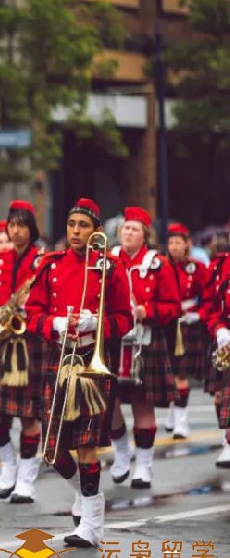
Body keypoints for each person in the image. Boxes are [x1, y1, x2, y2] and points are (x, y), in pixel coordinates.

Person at [24, 197, 133, 548]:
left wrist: (96, 322)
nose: (75, 232)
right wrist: (55, 322)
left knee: (87, 446)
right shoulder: (50, 265)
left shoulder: (110, 267)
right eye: (71, 225)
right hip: (59, 358)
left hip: (92, 364)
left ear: (96, 231)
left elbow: (125, 319)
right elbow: (31, 314)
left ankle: (91, 523)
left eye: (83, 226)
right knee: (54, 451)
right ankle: (89, 499)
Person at [0, 201, 46, 502]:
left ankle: (27, 479)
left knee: (29, 415)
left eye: (21, 225)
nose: (15, 231)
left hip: (29, 343)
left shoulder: (42, 260)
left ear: (31, 228)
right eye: (11, 225)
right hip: (0, 342)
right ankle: (8, 463)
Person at [108, 207, 180, 490]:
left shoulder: (158, 264)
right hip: (114, 341)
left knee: (142, 404)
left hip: (145, 342)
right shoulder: (109, 259)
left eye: (134, 229)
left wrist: (145, 310)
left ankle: (145, 466)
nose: (128, 232)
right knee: (108, 403)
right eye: (125, 228)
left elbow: (173, 307)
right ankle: (122, 452)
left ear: (145, 235)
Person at [164, 222, 211, 438]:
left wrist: (198, 315)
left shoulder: (197, 268)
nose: (174, 247)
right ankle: (173, 414)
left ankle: (181, 422)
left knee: (181, 373)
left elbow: (209, 296)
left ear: (187, 244)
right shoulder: (161, 266)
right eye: (171, 242)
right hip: (166, 323)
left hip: (188, 325)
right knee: (170, 373)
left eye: (178, 242)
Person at [201, 247, 230, 468]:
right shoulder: (219, 265)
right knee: (220, 397)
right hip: (225, 340)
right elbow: (210, 306)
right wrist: (219, 329)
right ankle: (227, 438)